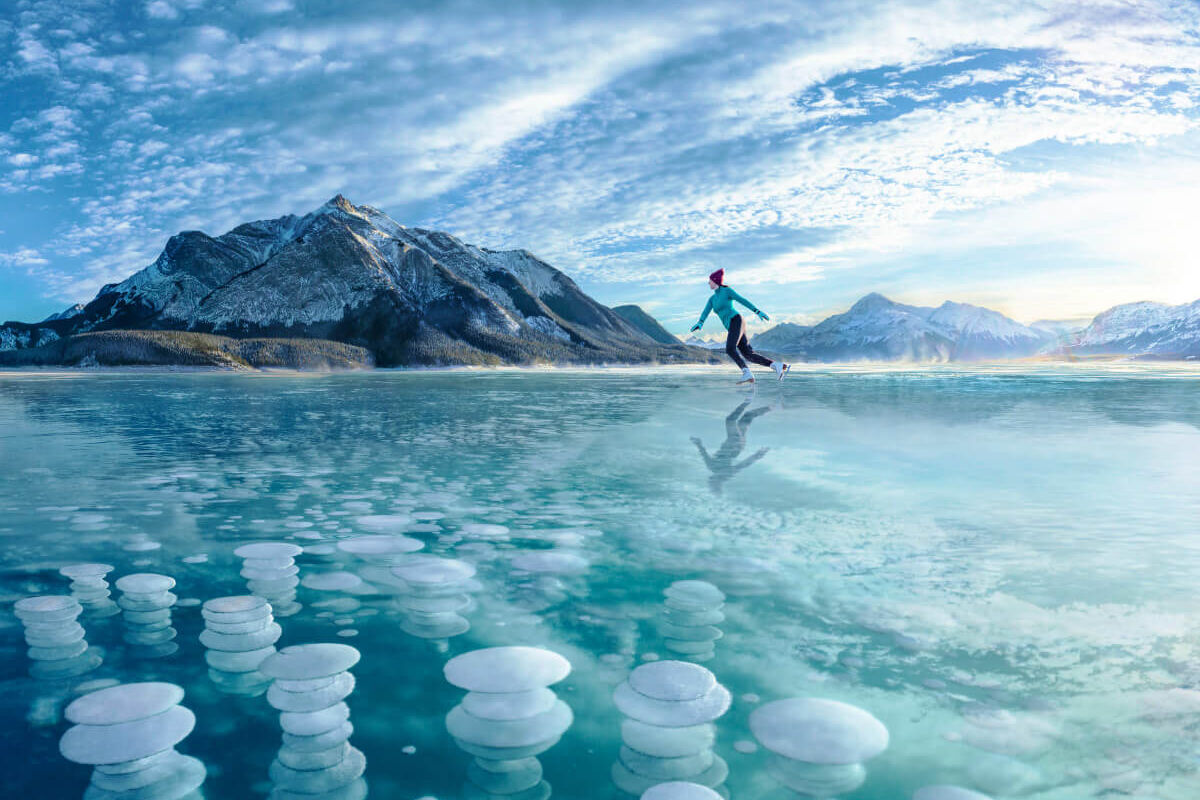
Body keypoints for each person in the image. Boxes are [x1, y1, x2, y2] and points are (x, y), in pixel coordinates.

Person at [690, 268, 789, 384]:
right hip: (732, 325)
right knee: (748, 354)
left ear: (715, 280)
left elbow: (742, 300)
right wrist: (700, 323)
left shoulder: (726, 291)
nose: (708, 283)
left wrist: (757, 311)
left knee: (730, 349)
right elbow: (705, 312)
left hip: (736, 320)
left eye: (710, 280)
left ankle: (746, 373)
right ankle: (776, 365)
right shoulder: (712, 299)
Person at [691, 397, 771, 494]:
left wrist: (698, 443)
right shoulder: (726, 474)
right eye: (713, 483)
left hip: (733, 444)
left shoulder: (711, 467)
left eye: (710, 482)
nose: (710, 480)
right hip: (735, 444)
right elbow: (743, 465)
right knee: (730, 420)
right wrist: (758, 455)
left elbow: (703, 453)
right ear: (718, 483)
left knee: (748, 416)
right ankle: (748, 400)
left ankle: (773, 406)